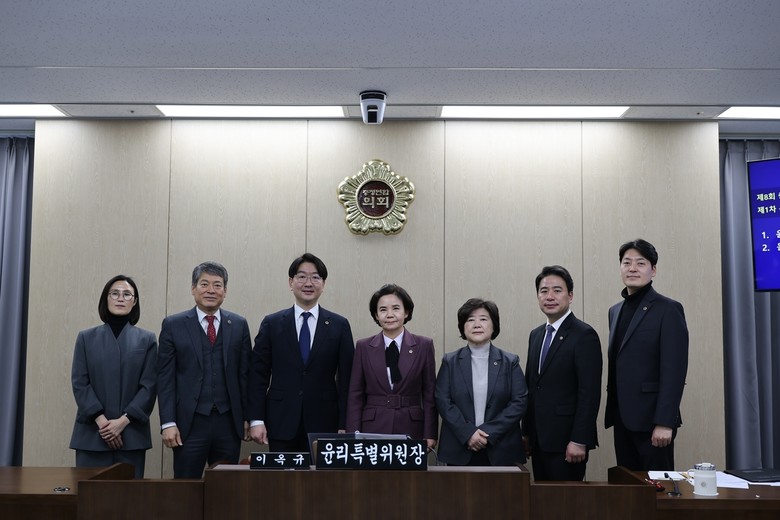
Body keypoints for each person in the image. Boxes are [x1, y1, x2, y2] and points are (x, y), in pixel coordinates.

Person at [249, 253, 355, 452]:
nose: (308, 283)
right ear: (291, 282)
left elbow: (347, 379)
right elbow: (258, 375)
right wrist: (256, 419)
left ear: (323, 284)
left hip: (325, 422)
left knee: (321, 474)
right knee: (282, 473)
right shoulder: (272, 323)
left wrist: (344, 423)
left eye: (315, 277)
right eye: (302, 277)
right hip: (280, 420)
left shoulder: (339, 325)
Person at [157, 261, 252, 478]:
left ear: (225, 291)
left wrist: (248, 416)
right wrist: (168, 422)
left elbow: (245, 376)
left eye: (217, 285)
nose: (211, 290)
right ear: (193, 288)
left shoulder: (238, 325)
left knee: (226, 487)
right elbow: (165, 378)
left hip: (228, 423)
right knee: (185, 487)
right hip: (189, 424)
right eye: (204, 284)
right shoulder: (173, 325)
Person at [605, 239, 689, 471]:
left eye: (640, 263)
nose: (632, 268)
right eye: (627, 263)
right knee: (627, 486)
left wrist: (665, 422)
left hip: (653, 422)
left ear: (653, 270)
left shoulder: (668, 309)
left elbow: (674, 371)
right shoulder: (615, 311)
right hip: (622, 419)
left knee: (658, 488)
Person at [69, 275, 157, 479]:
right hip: (92, 434)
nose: (120, 298)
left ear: (134, 301)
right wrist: (102, 422)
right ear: (106, 298)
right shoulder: (86, 338)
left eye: (127, 294)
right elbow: (80, 383)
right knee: (91, 495)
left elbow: (149, 386)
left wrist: (123, 422)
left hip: (131, 435)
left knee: (128, 496)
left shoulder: (147, 339)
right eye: (115, 293)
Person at [522, 265, 602, 481]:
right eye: (543, 291)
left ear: (570, 296)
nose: (550, 296)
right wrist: (526, 432)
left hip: (567, 442)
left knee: (566, 501)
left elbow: (589, 393)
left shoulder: (584, 335)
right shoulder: (536, 335)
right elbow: (532, 387)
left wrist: (579, 439)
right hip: (539, 440)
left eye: (557, 290)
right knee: (541, 499)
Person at [435, 298, 528, 466]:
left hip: (501, 447)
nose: (477, 324)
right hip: (460, 447)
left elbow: (519, 402)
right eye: (470, 320)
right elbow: (443, 401)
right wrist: (468, 433)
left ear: (494, 326)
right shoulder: (450, 361)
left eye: (483, 319)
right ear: (463, 327)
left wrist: (487, 433)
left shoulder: (510, 362)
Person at [345, 284, 437, 449]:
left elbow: (430, 394)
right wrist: (353, 433)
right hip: (372, 426)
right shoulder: (363, 347)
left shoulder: (423, 345)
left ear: (406, 312)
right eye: (383, 310)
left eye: (396, 308)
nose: (389, 315)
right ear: (376, 315)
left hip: (411, 426)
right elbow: (355, 394)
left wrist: (430, 433)